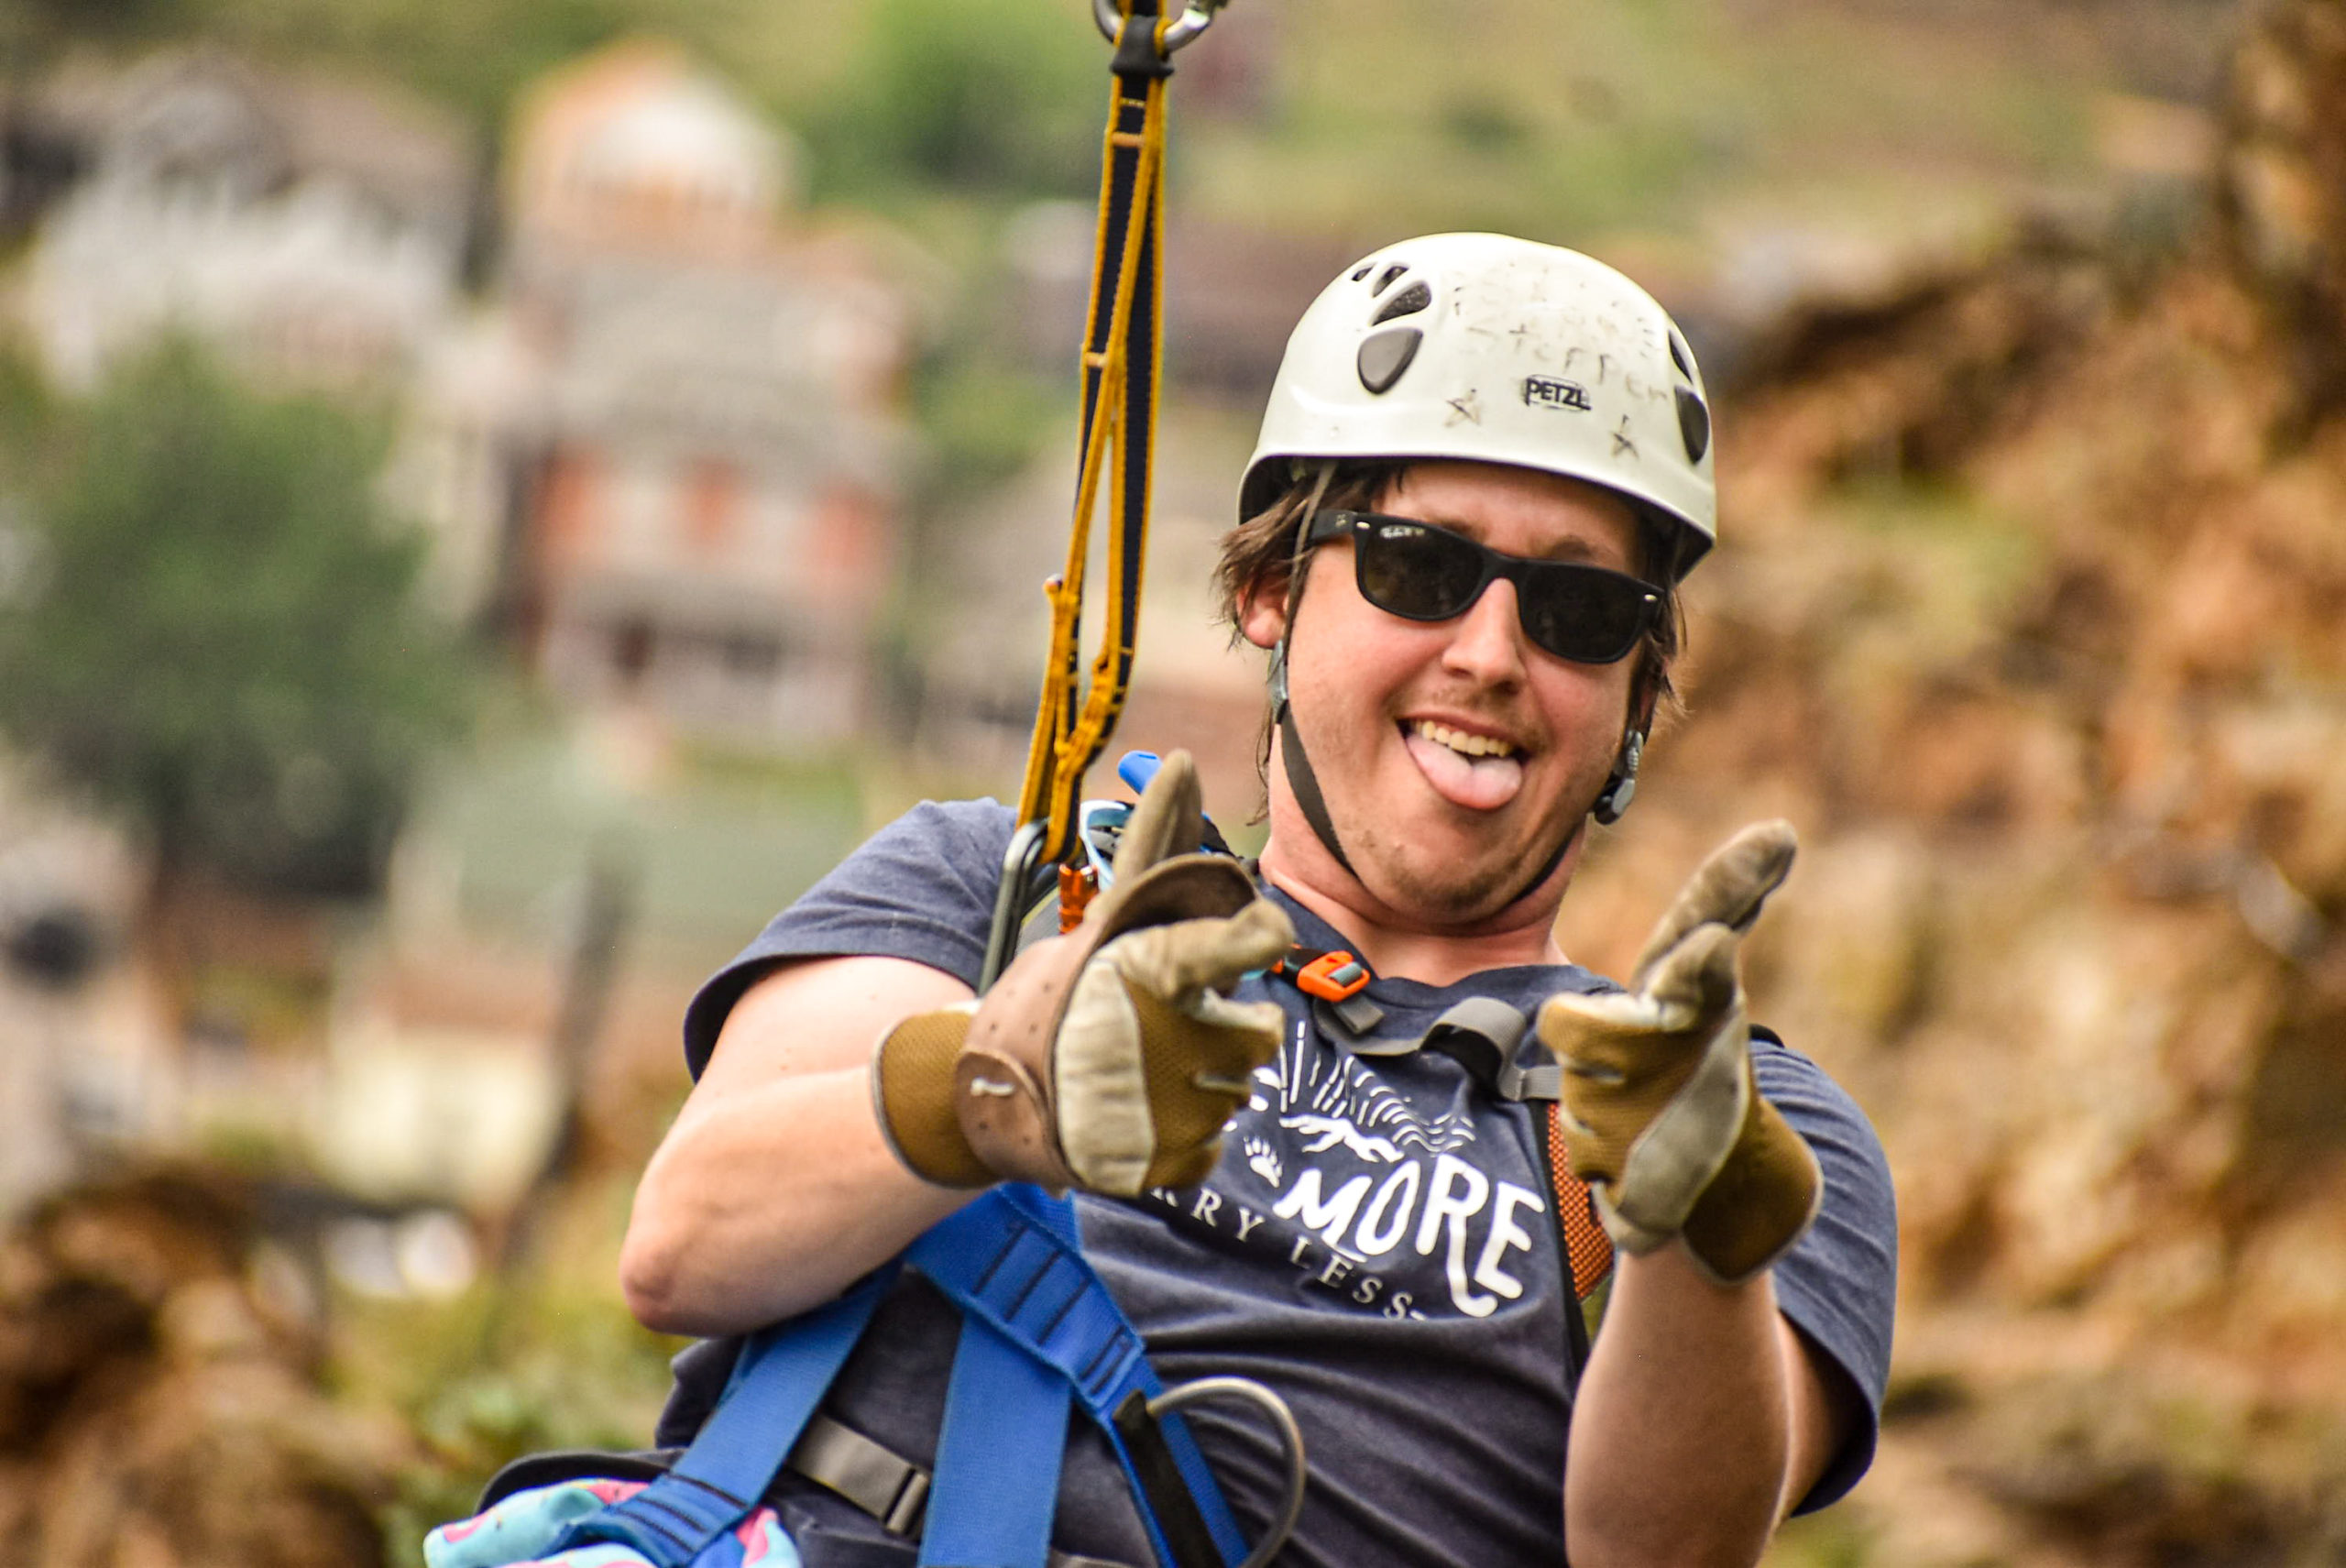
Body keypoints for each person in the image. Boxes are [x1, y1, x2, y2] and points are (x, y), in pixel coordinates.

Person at [617, 233, 1898, 1568]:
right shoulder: (1005, 901)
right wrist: (986, 1096)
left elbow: (1669, 1554)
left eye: (1578, 609)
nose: (1491, 654)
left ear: (1637, 686)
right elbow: (684, 1248)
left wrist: (1693, 1233)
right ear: (1270, 588)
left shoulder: (1755, 1135)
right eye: (1419, 565)